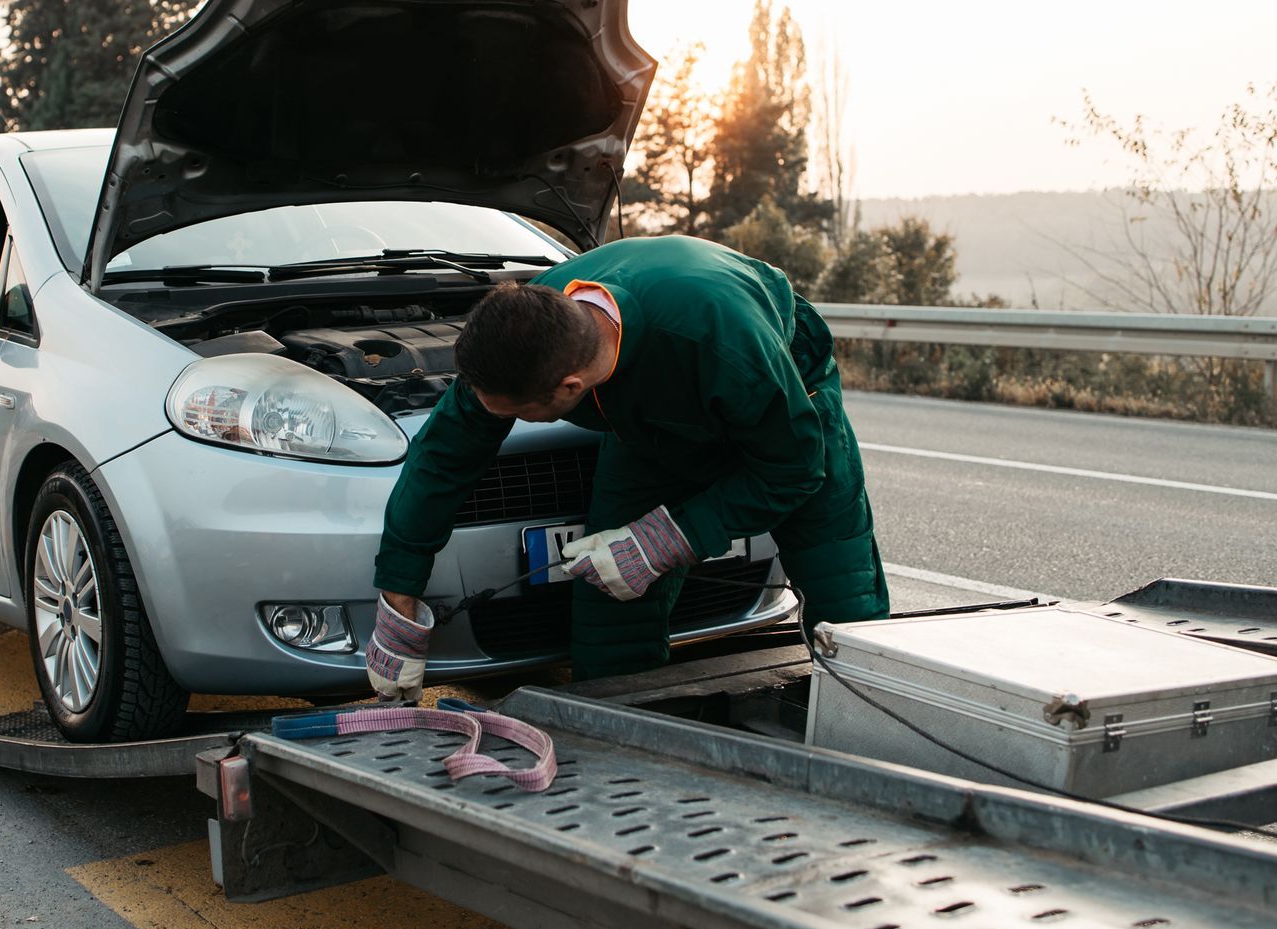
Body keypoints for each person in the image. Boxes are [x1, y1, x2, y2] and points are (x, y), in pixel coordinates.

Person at [364, 235, 889, 703]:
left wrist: (663, 541)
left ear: (569, 390)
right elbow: (443, 456)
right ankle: (620, 742)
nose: (497, 420)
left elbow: (794, 468)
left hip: (787, 410)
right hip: (651, 427)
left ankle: (874, 731)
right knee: (612, 602)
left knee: (842, 590)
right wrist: (397, 599)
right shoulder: (525, 330)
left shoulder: (724, 342)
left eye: (515, 415)